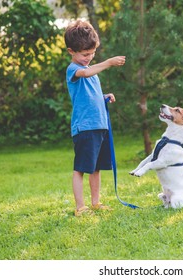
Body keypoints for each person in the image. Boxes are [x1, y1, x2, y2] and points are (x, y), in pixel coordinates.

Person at [64, 20, 126, 216]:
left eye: (92, 53)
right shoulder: (73, 69)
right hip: (85, 127)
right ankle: (80, 206)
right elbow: (85, 72)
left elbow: (89, 95)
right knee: (80, 169)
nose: (89, 58)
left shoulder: (93, 73)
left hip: (100, 125)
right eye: (85, 54)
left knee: (96, 168)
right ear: (71, 51)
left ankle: (95, 203)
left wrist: (103, 97)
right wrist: (107, 62)